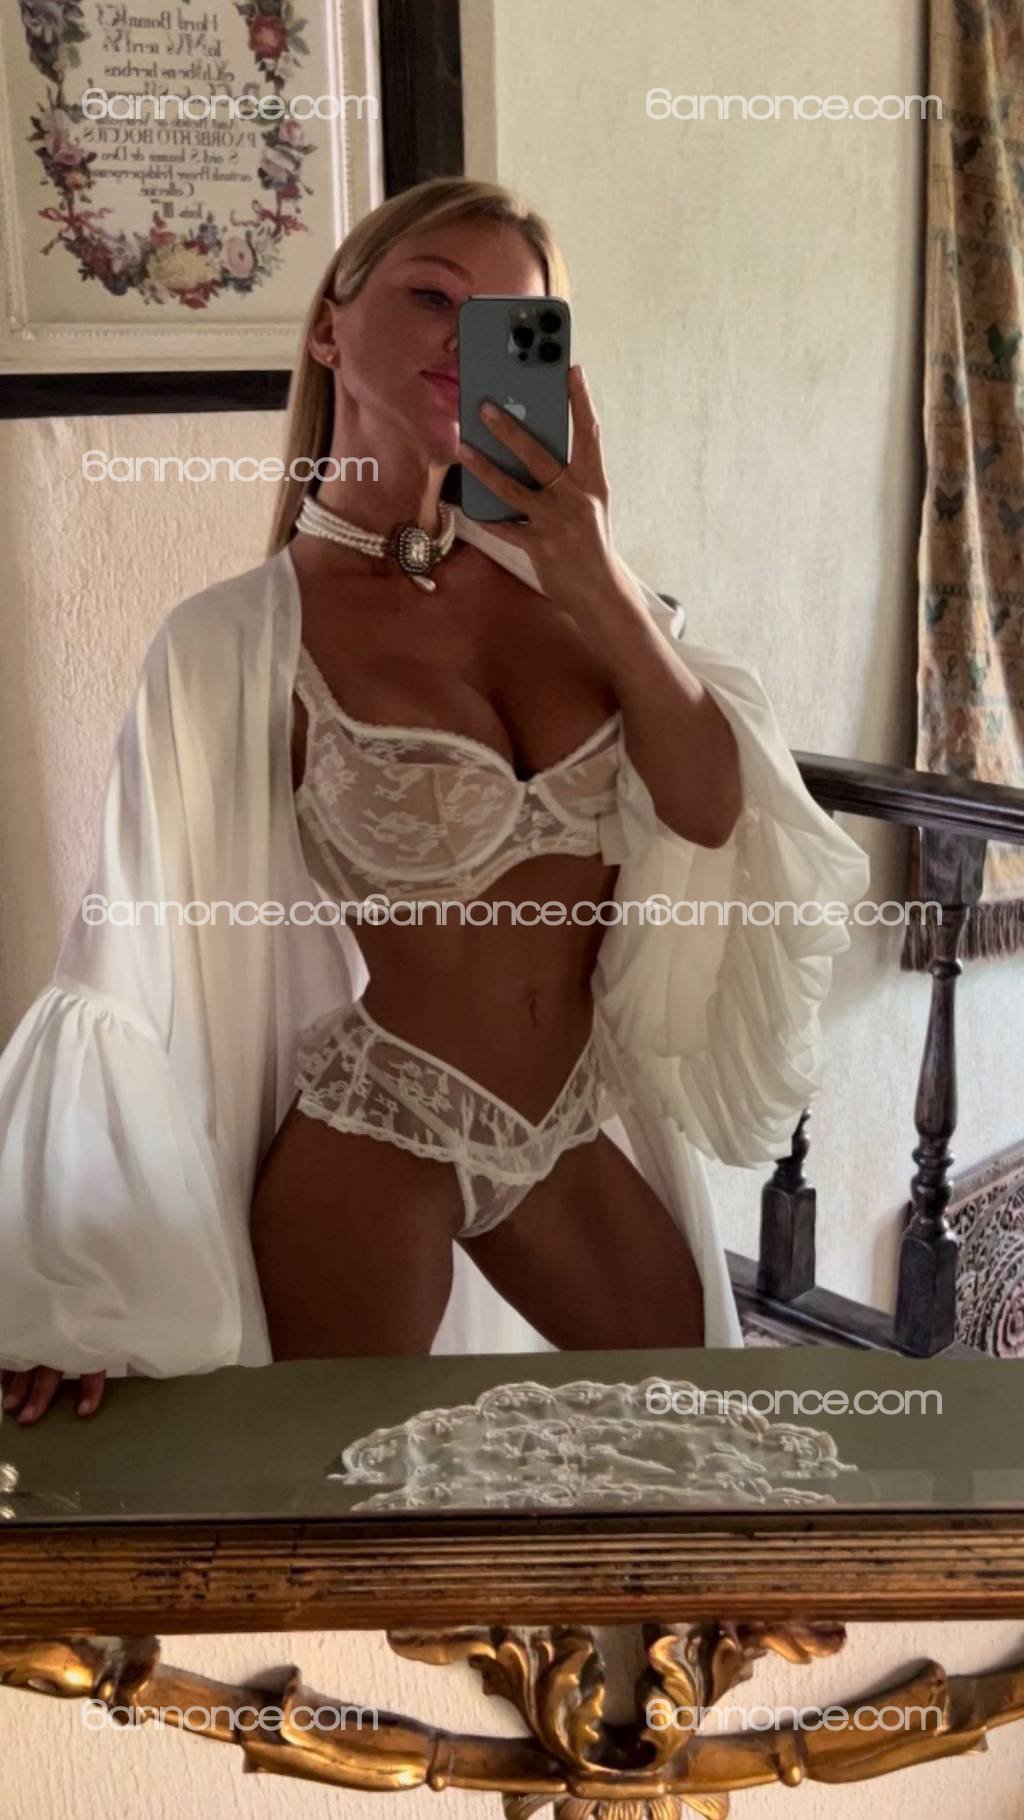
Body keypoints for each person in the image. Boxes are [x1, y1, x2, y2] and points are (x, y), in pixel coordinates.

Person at [0, 178, 870, 1424]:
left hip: (570, 1121)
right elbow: (122, 957)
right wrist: (68, 1290)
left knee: (705, 1441)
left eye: (513, 323)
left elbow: (710, 807)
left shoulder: (582, 595)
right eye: (430, 299)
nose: (466, 344)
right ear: (327, 327)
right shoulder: (231, 642)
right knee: (333, 1492)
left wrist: (595, 568)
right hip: (381, 1128)